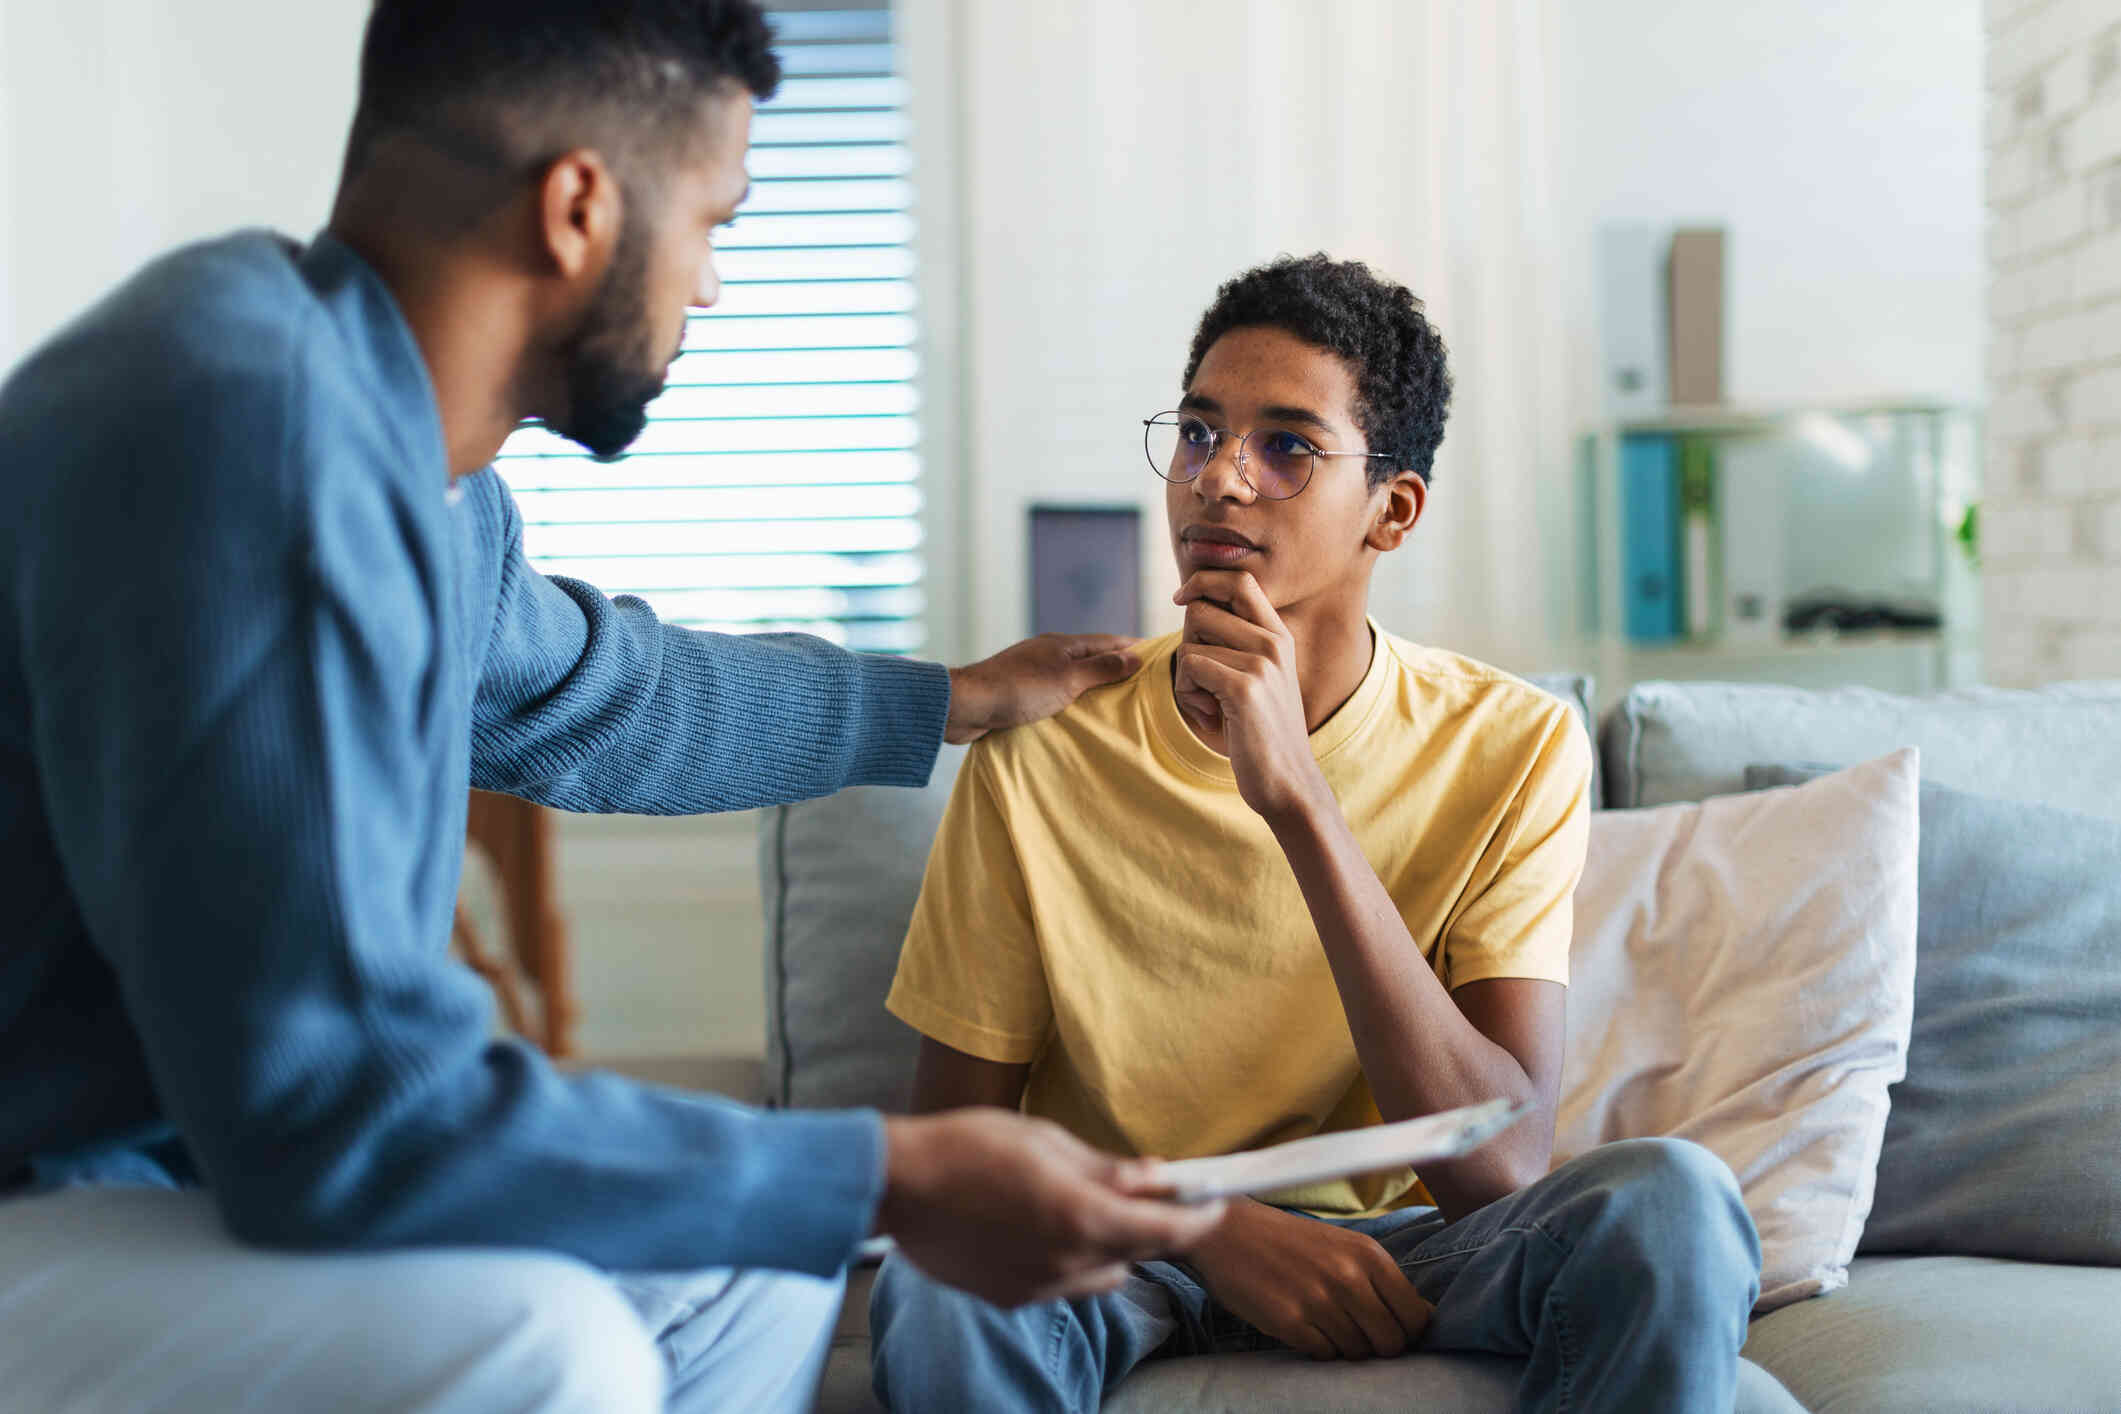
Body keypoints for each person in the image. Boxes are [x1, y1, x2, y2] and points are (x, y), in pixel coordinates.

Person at [0, 3, 1224, 1411]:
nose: (709, 288)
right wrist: (891, 1168)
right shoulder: (256, 433)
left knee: (755, 1266)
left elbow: (617, 696)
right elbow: (344, 1112)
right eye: (712, 222)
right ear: (579, 207)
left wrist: (949, 700)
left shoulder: (407, 462)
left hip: (163, 1178)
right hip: (40, 1195)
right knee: (550, 1344)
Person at [869, 254, 1764, 1413]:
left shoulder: (1515, 744)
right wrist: (1203, 1224)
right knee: (943, 1286)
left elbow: (1495, 1165)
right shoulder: (1048, 740)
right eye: (1199, 433)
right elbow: (950, 1156)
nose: (1219, 482)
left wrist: (1299, 799)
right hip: (1118, 1242)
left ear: (1391, 510)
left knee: (1672, 1201)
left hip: (1407, 1245)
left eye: (1286, 445)